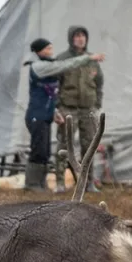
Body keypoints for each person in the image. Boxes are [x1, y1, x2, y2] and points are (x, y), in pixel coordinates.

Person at [24, 38, 98, 192]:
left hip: (45, 115)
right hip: (36, 115)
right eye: (48, 48)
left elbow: (50, 94)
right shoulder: (39, 66)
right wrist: (87, 58)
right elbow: (63, 66)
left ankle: (40, 183)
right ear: (39, 51)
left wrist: (55, 112)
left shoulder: (46, 65)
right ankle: (32, 184)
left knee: (44, 150)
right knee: (38, 149)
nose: (51, 51)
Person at [54, 26, 107, 190]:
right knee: (64, 144)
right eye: (77, 36)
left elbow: (99, 83)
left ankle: (88, 183)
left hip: (88, 109)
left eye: (83, 36)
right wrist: (57, 107)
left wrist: (97, 103)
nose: (80, 39)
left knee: (89, 146)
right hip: (68, 108)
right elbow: (55, 84)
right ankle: (60, 182)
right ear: (71, 38)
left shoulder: (92, 60)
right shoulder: (63, 59)